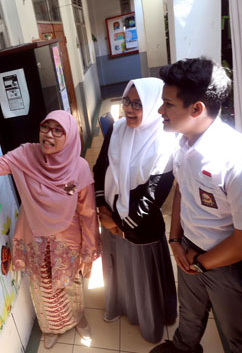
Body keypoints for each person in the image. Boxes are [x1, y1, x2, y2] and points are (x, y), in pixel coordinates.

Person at [0, 104, 101, 349]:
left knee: (69, 284)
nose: (49, 135)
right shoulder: (26, 155)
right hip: (34, 235)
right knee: (41, 286)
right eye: (46, 127)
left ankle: (77, 319)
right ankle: (50, 327)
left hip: (67, 238)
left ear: (70, 136)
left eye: (58, 131)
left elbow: (87, 213)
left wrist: (89, 248)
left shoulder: (80, 168)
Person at [150, 58, 242, 353]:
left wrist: (200, 262)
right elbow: (183, 189)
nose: (160, 111)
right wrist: (176, 240)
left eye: (168, 104)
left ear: (197, 109)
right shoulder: (184, 144)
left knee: (239, 338)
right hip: (191, 250)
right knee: (190, 317)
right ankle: (184, 348)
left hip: (237, 268)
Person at [93, 77, 178, 343]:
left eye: (138, 104)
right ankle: (123, 308)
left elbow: (152, 197)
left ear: (153, 105)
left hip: (141, 227)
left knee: (143, 279)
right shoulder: (117, 129)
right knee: (120, 272)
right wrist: (103, 210)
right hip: (110, 217)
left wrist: (119, 224)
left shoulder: (166, 142)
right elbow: (99, 168)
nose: (129, 109)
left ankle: (150, 321)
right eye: (127, 101)